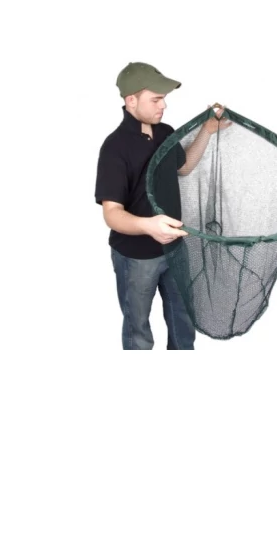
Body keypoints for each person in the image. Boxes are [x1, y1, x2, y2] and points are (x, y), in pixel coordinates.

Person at [95, 62, 230, 350]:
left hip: (175, 251)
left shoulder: (166, 132)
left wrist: (207, 130)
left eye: (164, 98)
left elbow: (184, 167)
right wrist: (148, 225)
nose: (164, 105)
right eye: (156, 99)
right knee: (138, 333)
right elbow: (112, 214)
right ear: (131, 100)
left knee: (183, 325)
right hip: (136, 258)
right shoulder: (115, 147)